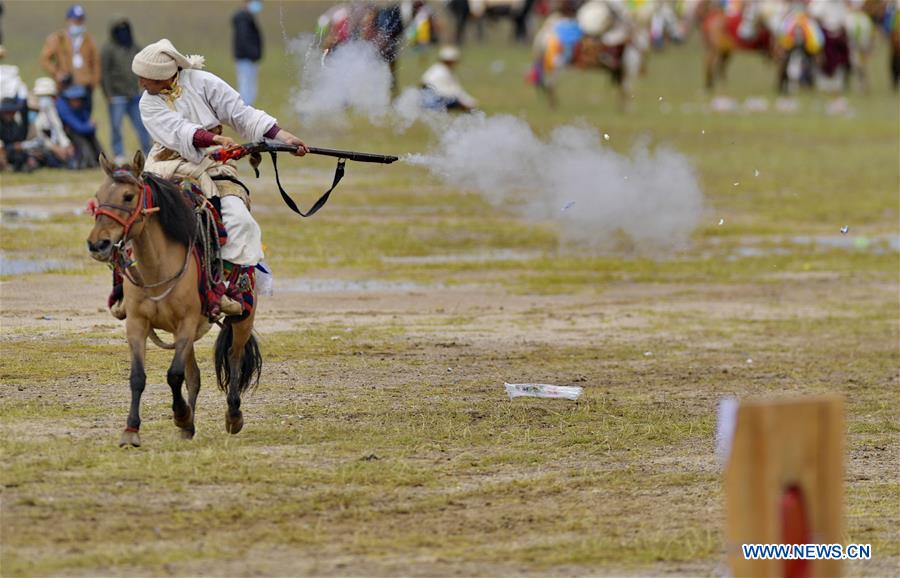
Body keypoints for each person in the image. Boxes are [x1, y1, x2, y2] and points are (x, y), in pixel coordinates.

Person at [111, 38, 308, 318]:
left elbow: (241, 114)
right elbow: (177, 130)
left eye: (146, 78)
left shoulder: (204, 82)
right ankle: (124, 291)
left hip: (214, 163)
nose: (141, 84)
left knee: (240, 220)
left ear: (165, 76)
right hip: (166, 164)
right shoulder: (147, 103)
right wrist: (212, 137)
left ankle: (229, 288)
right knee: (134, 217)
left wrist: (283, 137)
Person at [101, 15, 150, 164]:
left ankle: (148, 151)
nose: (123, 33)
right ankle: (118, 154)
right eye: (119, 29)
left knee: (142, 125)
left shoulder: (134, 47)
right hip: (116, 96)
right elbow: (105, 73)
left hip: (134, 94)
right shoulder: (108, 49)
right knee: (116, 126)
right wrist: (108, 93)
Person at [39, 4, 100, 111]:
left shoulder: (88, 39)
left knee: (84, 118)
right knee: (67, 118)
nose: (78, 23)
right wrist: (57, 73)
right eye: (75, 20)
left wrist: (93, 81)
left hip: (85, 86)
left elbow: (96, 63)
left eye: (80, 20)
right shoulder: (58, 38)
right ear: (68, 20)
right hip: (66, 86)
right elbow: (45, 59)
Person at [27, 77, 75, 168]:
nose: (46, 99)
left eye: (49, 96)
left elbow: (58, 128)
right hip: (36, 147)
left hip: (52, 146)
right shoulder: (31, 113)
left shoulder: (51, 110)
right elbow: (38, 137)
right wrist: (55, 149)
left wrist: (66, 145)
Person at [57, 83, 103, 168]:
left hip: (81, 129)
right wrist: (90, 126)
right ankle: (89, 162)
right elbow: (77, 127)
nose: (77, 101)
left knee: (93, 138)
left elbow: (86, 122)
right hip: (69, 132)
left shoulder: (82, 106)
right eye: (74, 99)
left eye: (79, 99)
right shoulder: (63, 107)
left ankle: (101, 161)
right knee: (81, 139)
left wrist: (91, 126)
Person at [420, 45, 477, 111]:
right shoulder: (444, 72)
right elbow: (454, 92)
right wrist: (469, 102)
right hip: (435, 100)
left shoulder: (435, 69)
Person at [232, 0, 263, 106]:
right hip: (246, 58)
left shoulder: (247, 18)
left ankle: (247, 109)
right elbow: (244, 38)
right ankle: (245, 109)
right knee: (246, 85)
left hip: (247, 58)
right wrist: (253, 53)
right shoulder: (243, 19)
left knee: (249, 85)